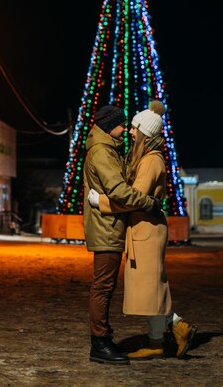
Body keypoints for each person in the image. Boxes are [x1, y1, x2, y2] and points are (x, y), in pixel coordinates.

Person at [88, 100, 197, 360]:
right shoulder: (142, 157)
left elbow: (131, 196)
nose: (130, 131)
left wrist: (100, 201)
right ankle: (164, 336)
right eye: (128, 126)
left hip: (147, 229)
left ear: (146, 133)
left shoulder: (150, 160)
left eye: (134, 128)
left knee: (151, 288)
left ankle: (170, 333)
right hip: (141, 228)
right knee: (150, 288)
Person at [83, 104, 165, 365]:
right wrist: (148, 203)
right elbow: (119, 190)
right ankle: (100, 343)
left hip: (111, 225)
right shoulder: (103, 152)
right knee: (103, 286)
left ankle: (103, 340)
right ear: (111, 126)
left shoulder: (110, 150)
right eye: (122, 124)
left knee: (107, 285)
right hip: (107, 227)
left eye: (131, 126)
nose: (126, 130)